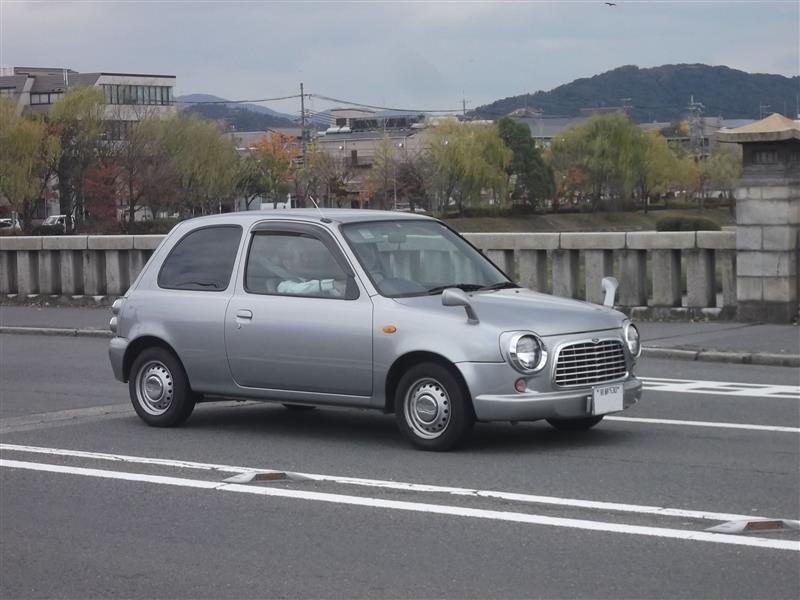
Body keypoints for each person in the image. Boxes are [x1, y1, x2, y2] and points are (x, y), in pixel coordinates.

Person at [273, 244, 346, 297]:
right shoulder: (283, 285)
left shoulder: (312, 278)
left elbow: (334, 292)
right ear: (287, 263)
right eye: (301, 256)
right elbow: (297, 290)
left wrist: (341, 290)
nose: (306, 259)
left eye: (306, 255)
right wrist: (331, 284)